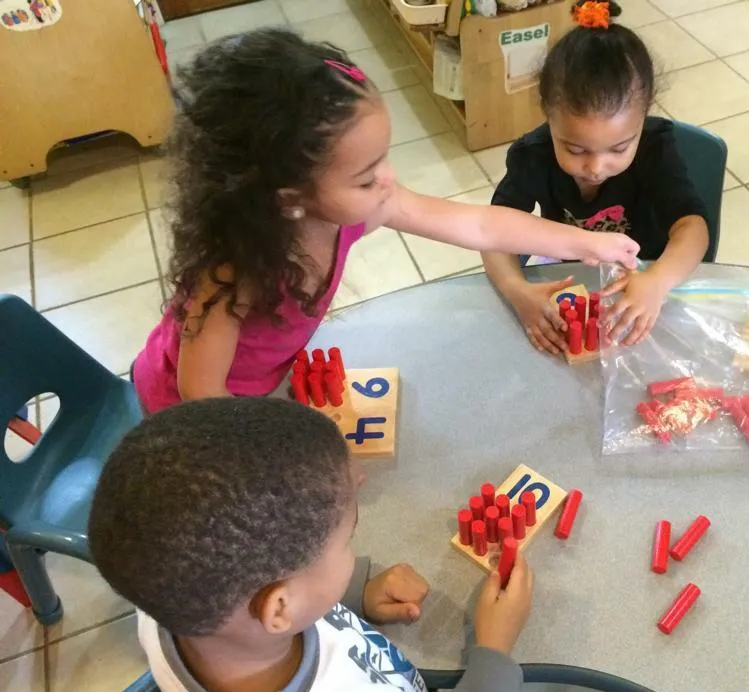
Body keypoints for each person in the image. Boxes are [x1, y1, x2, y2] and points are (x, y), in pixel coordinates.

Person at [132, 30, 639, 414]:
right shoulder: (232, 271)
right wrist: (283, 462)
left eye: (383, 160)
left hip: (264, 385)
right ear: (291, 199)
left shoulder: (358, 206)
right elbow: (201, 397)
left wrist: (583, 242)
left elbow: (480, 227)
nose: (388, 181)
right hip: (189, 410)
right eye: (365, 175)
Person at [88, 397, 534, 692]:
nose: (352, 549)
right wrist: (493, 654)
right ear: (281, 606)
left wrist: (355, 589)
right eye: (347, 541)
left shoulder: (169, 600)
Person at [481, 0, 709, 353]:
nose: (596, 167)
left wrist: (657, 281)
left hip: (643, 281)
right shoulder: (533, 155)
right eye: (575, 150)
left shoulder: (655, 150)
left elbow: (693, 229)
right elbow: (495, 232)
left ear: (642, 120)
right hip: (568, 273)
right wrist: (518, 291)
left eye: (618, 149)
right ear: (549, 119)